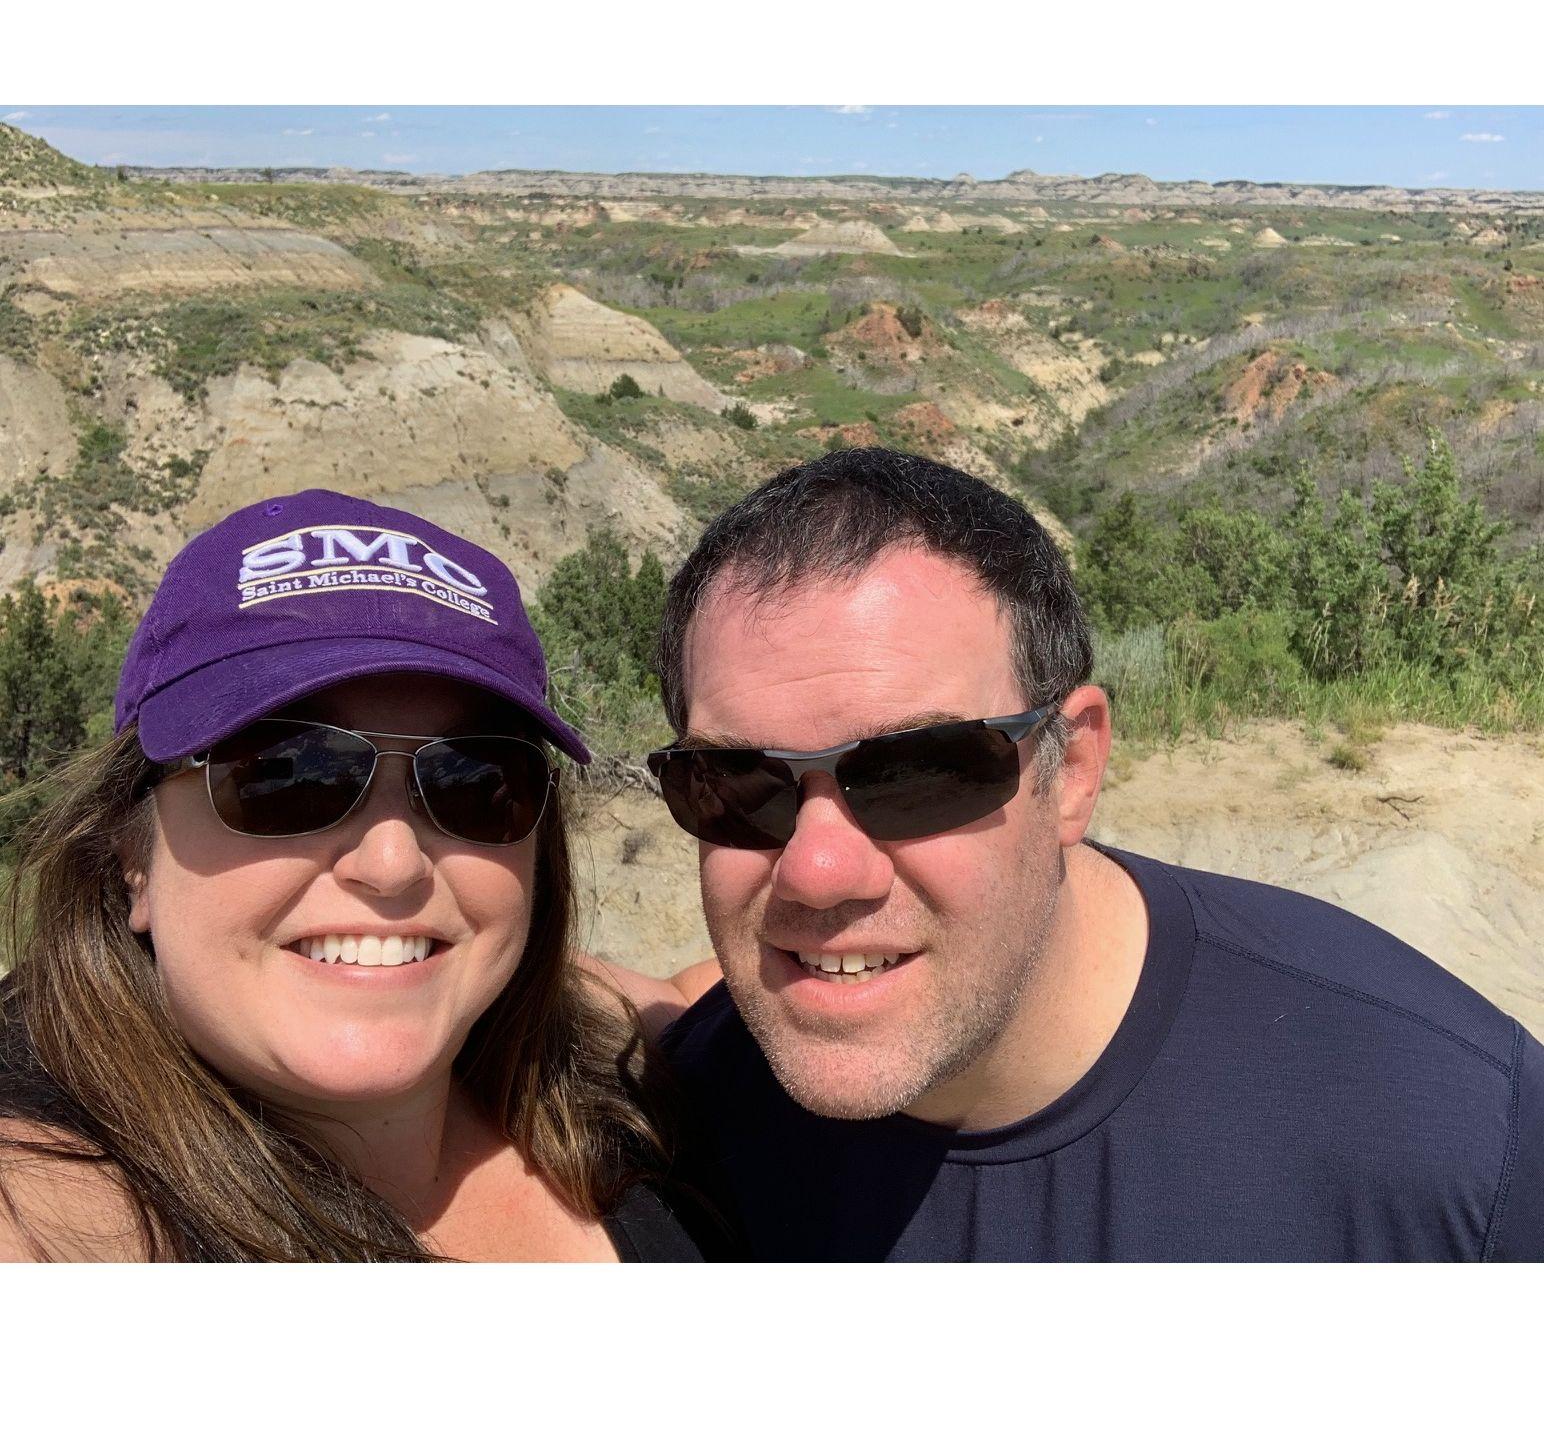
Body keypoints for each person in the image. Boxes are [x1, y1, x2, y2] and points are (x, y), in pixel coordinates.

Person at [647, 447, 1544, 1261]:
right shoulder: (667, 1141)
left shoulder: (1453, 1138)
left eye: (915, 774)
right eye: (735, 784)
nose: (817, 870)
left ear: (1072, 768)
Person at [0, 489, 706, 1262]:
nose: (393, 862)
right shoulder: (53, 1212)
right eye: (287, 775)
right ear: (133, 855)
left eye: (475, 781)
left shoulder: (593, 1060)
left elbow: (680, 994)